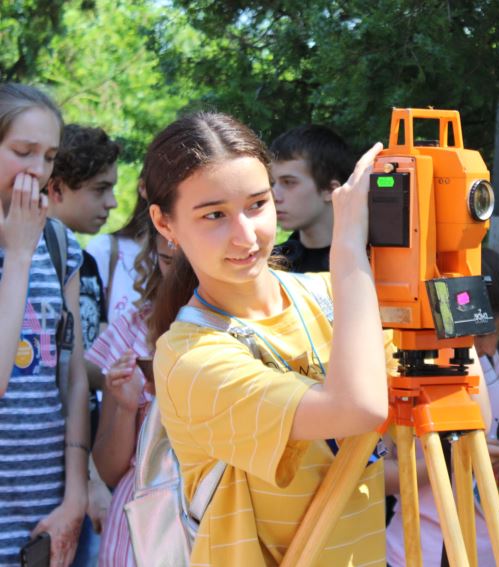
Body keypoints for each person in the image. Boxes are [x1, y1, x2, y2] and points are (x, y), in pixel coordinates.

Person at [144, 111, 388, 566]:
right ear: (165, 224)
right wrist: (349, 246)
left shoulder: (330, 296)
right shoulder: (188, 358)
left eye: (257, 204)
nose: (245, 235)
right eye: (214, 215)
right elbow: (358, 408)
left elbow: (456, 390)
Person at [385, 248, 499, 567]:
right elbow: (376, 474)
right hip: (421, 553)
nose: (491, 347)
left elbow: (486, 427)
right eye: (483, 332)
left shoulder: (487, 357)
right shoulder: (408, 362)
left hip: (492, 552)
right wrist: (458, 460)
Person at [0, 83, 89, 567]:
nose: (38, 169)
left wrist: (75, 495)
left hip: (47, 509)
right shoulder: (25, 246)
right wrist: (17, 254)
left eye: (49, 156)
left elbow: (74, 377)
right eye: (22, 151)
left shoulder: (58, 243)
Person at [47, 123, 121, 566]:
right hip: (50, 472)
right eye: (99, 189)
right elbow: (65, 371)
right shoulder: (36, 263)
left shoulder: (83, 260)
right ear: (56, 188)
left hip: (87, 455)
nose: (112, 203)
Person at [89, 226, 171, 567]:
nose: (180, 275)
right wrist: (125, 408)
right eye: (168, 260)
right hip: (134, 540)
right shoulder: (135, 328)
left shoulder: (250, 326)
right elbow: (108, 470)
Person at [270, 124, 353, 273]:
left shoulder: (371, 263)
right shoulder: (271, 265)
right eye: (272, 183)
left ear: (330, 190)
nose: (273, 195)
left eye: (288, 182)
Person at [86, 180, 148, 323]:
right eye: (101, 188)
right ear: (143, 187)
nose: (112, 203)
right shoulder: (104, 249)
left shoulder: (188, 258)